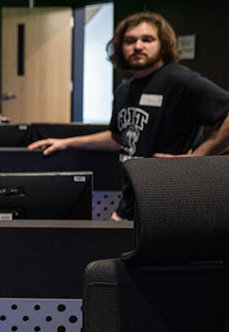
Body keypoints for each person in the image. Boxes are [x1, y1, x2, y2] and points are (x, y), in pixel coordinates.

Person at [27, 11, 229, 220]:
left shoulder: (180, 81)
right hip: (130, 205)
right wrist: (67, 143)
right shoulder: (124, 90)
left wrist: (198, 158)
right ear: (120, 47)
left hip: (171, 206)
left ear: (163, 44)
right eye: (130, 41)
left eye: (147, 39)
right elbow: (117, 138)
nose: (138, 46)